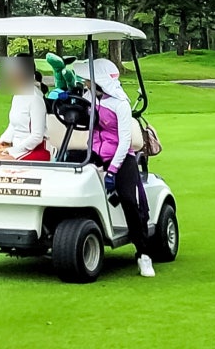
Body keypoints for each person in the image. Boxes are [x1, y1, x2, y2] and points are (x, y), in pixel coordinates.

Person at [77, 57, 154, 278]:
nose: (85, 82)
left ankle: (143, 255)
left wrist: (112, 171)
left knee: (129, 199)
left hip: (120, 158)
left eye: (88, 79)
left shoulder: (120, 103)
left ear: (99, 80)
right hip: (93, 155)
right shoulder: (90, 97)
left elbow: (124, 142)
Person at [0, 53, 49, 162]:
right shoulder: (17, 96)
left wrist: (13, 150)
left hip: (34, 150)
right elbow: (14, 125)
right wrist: (3, 140)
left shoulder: (36, 99)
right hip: (16, 148)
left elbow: (37, 137)